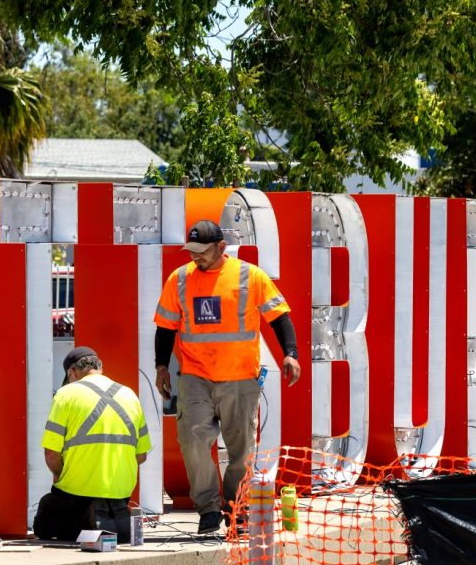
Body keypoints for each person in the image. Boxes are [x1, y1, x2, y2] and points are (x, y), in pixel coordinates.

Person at [154, 220, 301, 534]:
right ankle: (207, 509)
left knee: (241, 449)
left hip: (240, 378)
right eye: (191, 251)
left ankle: (237, 509)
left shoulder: (250, 276)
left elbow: (279, 317)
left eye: (202, 251)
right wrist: (161, 367)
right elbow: (165, 328)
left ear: (221, 247)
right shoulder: (179, 279)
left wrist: (291, 353)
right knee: (192, 441)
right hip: (195, 376)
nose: (196, 258)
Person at [33, 346, 151, 543]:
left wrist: (62, 476)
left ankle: (89, 522)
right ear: (99, 367)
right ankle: (112, 518)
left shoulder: (65, 394)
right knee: (107, 507)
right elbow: (141, 456)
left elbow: (51, 454)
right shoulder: (130, 395)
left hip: (77, 493)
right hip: (120, 495)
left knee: (46, 512)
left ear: (72, 372)